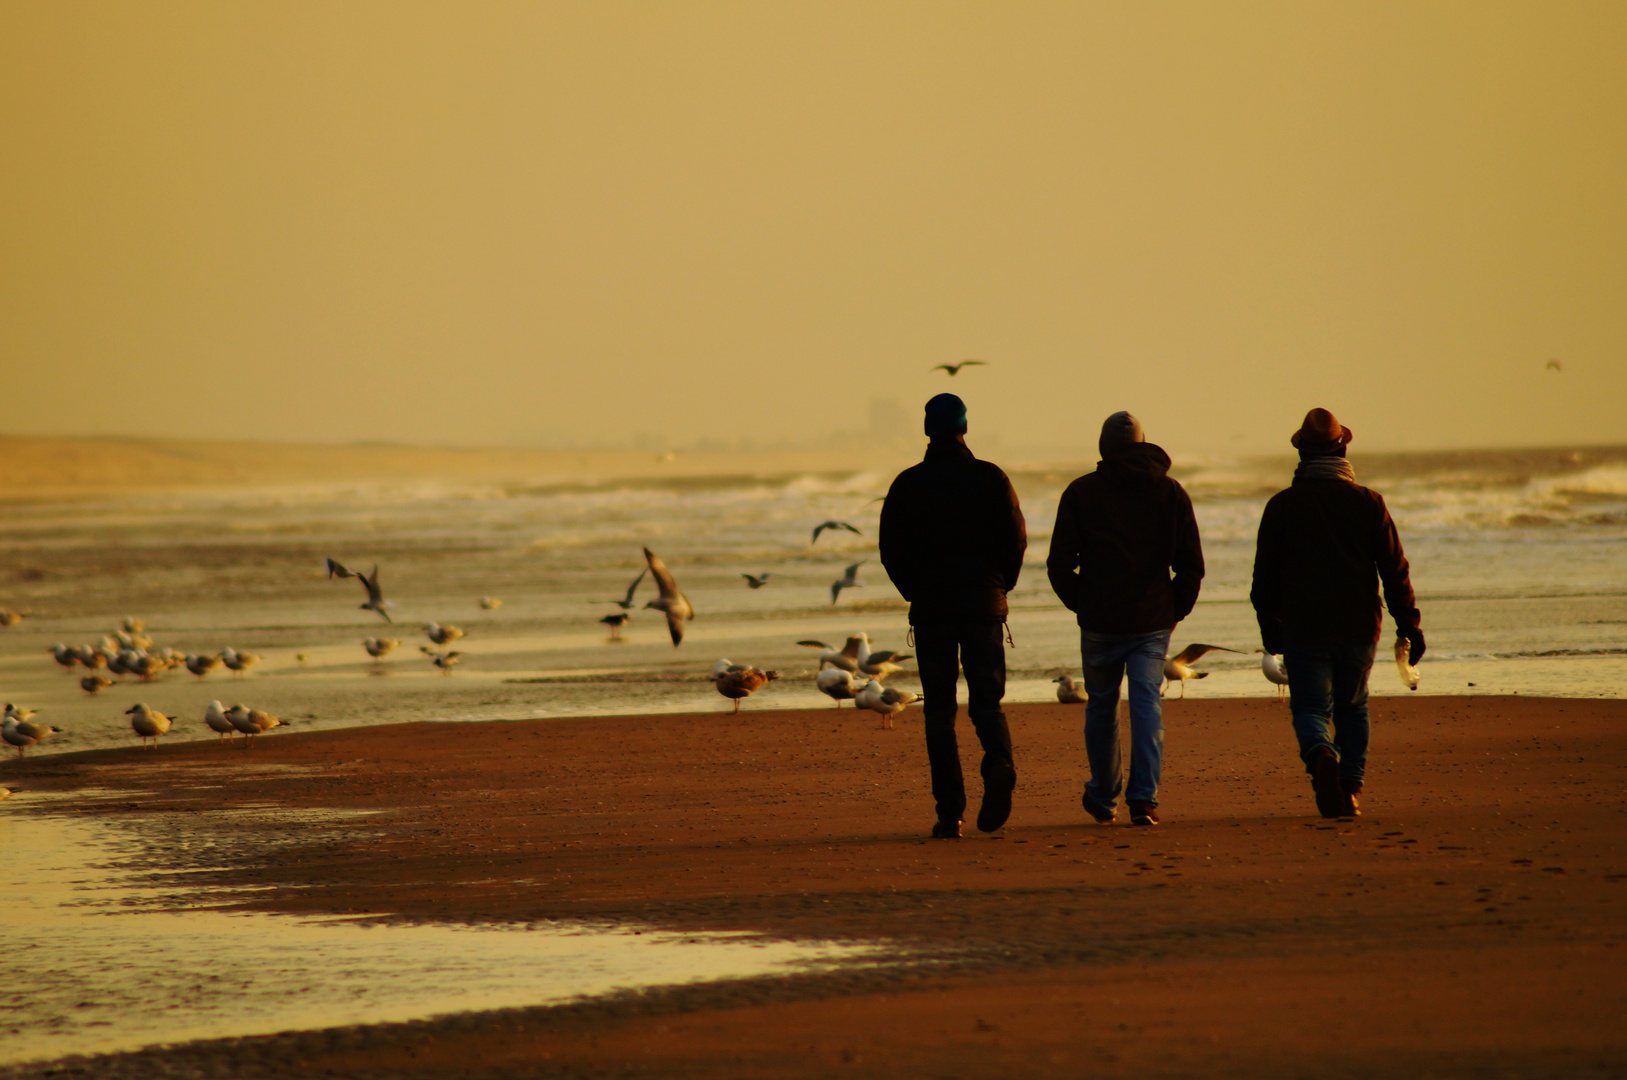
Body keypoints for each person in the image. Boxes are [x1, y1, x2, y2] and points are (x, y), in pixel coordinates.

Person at [1250, 408, 1422, 818]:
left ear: (1302, 454)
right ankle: (1351, 788)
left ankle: (1321, 754)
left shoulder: (1282, 506)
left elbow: (1263, 583)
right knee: (1353, 707)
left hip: (1304, 627)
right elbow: (1395, 570)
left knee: (1310, 709)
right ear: (1343, 447)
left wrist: (1271, 631)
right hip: (1359, 625)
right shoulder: (1369, 503)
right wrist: (1409, 624)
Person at [879, 394, 1027, 839]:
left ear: (928, 430)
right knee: (987, 701)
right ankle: (999, 763)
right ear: (965, 427)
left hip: (932, 610)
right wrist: (1001, 587)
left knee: (939, 710)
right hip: (983, 604)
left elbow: (890, 550)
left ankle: (950, 813)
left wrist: (914, 590)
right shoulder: (990, 477)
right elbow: (1015, 540)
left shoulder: (908, 484)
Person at [1047, 411, 1204, 827]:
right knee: (1146, 703)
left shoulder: (1082, 492)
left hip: (1100, 619)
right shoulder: (1170, 492)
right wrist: (1173, 609)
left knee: (1101, 706)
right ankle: (1143, 798)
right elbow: (1190, 564)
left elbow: (1059, 563)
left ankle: (1103, 795)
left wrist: (1082, 602)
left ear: (1102, 447)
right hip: (1151, 619)